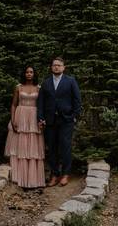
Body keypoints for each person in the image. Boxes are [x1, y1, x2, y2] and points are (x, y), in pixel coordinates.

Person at [36, 56, 81, 186]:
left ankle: (65, 174)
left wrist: (74, 115)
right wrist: (40, 118)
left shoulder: (70, 81)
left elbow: (77, 100)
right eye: (54, 65)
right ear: (51, 67)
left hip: (66, 120)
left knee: (65, 146)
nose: (56, 67)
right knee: (52, 148)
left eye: (59, 65)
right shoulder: (46, 83)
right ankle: (54, 174)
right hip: (50, 121)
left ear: (63, 68)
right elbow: (41, 103)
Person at [4, 65, 45, 189]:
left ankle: (33, 179)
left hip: (33, 116)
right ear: (24, 74)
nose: (29, 74)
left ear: (34, 74)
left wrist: (41, 120)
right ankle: (18, 177)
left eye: (31, 72)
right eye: (27, 72)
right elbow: (13, 104)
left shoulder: (38, 88)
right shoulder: (18, 87)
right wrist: (12, 119)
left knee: (33, 146)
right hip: (20, 115)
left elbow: (42, 105)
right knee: (19, 145)